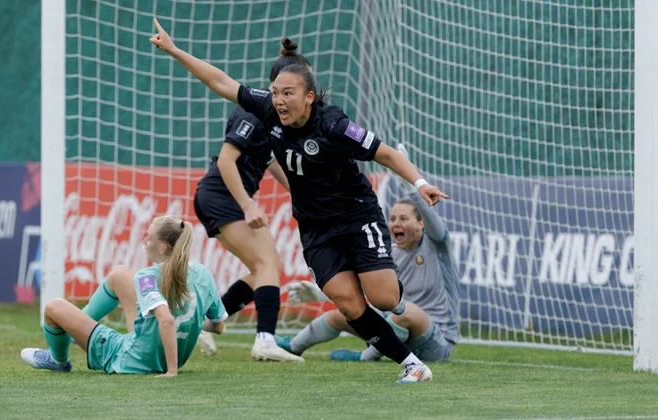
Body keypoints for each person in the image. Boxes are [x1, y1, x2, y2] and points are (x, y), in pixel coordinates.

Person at [150, 19, 448, 383]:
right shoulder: (266, 110)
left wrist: (420, 182)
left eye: (287, 93)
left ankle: (392, 297)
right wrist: (175, 50)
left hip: (356, 215)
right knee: (349, 303)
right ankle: (413, 364)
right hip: (315, 226)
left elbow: (385, 154)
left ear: (309, 96)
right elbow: (221, 82)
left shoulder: (334, 125)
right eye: (275, 92)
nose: (278, 99)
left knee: (384, 300)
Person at [280, 147, 460, 363]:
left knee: (407, 312)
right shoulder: (389, 253)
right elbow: (362, 291)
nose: (396, 224)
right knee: (344, 313)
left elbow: (434, 222)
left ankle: (366, 357)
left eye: (403, 218)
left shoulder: (437, 245)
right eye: (392, 219)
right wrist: (319, 295)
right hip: (398, 328)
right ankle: (292, 346)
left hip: (437, 342)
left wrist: (410, 184)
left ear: (420, 224)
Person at [193, 38, 310, 363]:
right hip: (221, 196)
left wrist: (304, 193)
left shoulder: (277, 120)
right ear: (277, 86)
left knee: (266, 269)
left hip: (224, 198)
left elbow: (271, 162)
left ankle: (209, 320)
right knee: (266, 265)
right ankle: (264, 340)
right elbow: (227, 162)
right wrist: (247, 204)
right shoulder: (254, 112)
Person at [20, 216, 228, 376]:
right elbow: (219, 326)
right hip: (154, 351)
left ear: (163, 246)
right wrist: (191, 324)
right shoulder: (203, 273)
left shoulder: (146, 276)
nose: (144, 241)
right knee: (119, 274)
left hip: (130, 358)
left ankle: (58, 361)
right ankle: (76, 331)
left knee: (53, 307)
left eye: (149, 237)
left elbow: (166, 320)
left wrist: (171, 372)